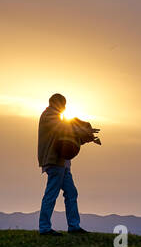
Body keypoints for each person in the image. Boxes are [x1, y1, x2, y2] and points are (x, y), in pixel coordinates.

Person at [36, 93, 98, 235]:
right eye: (63, 105)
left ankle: (73, 226)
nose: (64, 108)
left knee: (71, 193)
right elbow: (64, 128)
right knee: (51, 194)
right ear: (57, 103)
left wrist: (85, 137)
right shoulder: (48, 116)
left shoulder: (56, 117)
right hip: (55, 161)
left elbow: (67, 134)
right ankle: (44, 228)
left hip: (62, 163)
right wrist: (84, 130)